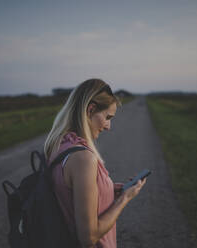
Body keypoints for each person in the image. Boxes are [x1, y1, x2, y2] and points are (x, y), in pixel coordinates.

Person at [43, 78, 147, 248]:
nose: (108, 126)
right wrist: (124, 199)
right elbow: (89, 237)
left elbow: (67, 193)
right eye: (108, 117)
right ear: (91, 109)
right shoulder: (83, 158)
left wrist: (108, 189)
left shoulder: (58, 144)